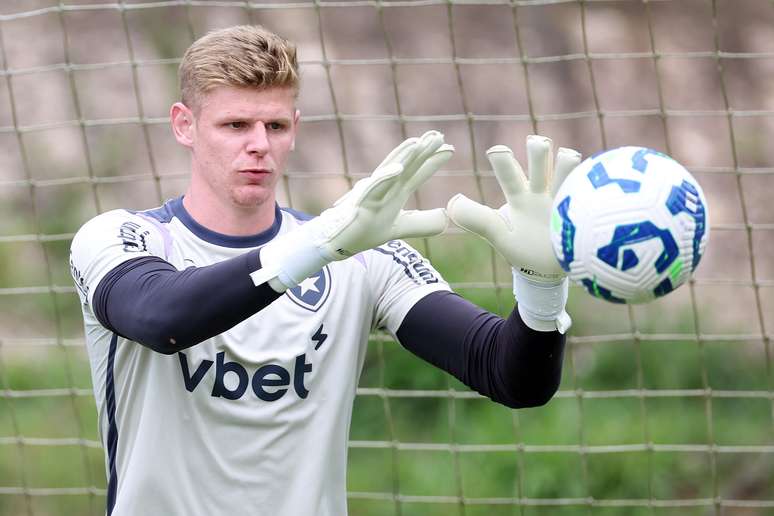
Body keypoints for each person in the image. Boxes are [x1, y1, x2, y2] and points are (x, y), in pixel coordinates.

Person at [69, 25, 581, 516]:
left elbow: (510, 376)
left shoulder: (358, 254)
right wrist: (319, 243)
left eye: (275, 125)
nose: (258, 144)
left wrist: (542, 289)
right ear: (184, 124)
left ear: (295, 128)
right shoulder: (120, 238)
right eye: (234, 125)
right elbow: (166, 319)